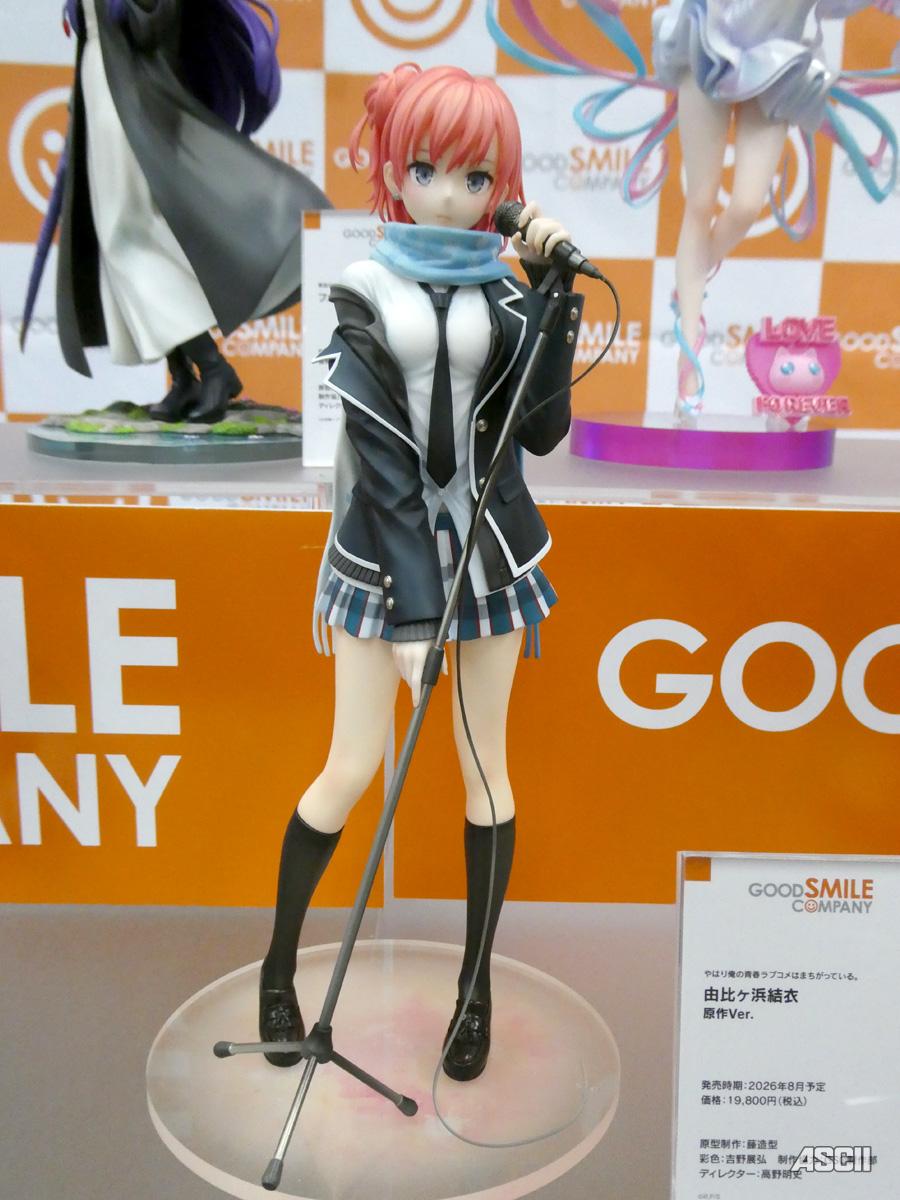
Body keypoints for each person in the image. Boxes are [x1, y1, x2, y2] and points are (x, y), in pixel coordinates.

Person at [258, 63, 584, 1082]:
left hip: (490, 557)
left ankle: (474, 990)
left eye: (476, 177)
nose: (450, 196)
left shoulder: (508, 291)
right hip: (381, 561)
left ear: (503, 187)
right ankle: (278, 968)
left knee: (487, 770)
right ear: (396, 170)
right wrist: (410, 615)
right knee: (353, 764)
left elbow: (541, 430)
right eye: (429, 169)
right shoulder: (363, 290)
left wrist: (559, 301)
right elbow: (387, 464)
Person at [488, 0, 899, 423]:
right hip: (709, 42)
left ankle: (692, 279)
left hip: (780, 60)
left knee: (746, 205)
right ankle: (688, 370)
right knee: (700, 202)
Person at [21, 0, 331, 422]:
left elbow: (154, 27)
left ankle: (214, 369)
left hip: (136, 102)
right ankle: (184, 375)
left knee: (130, 239)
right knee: (121, 239)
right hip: (102, 92)